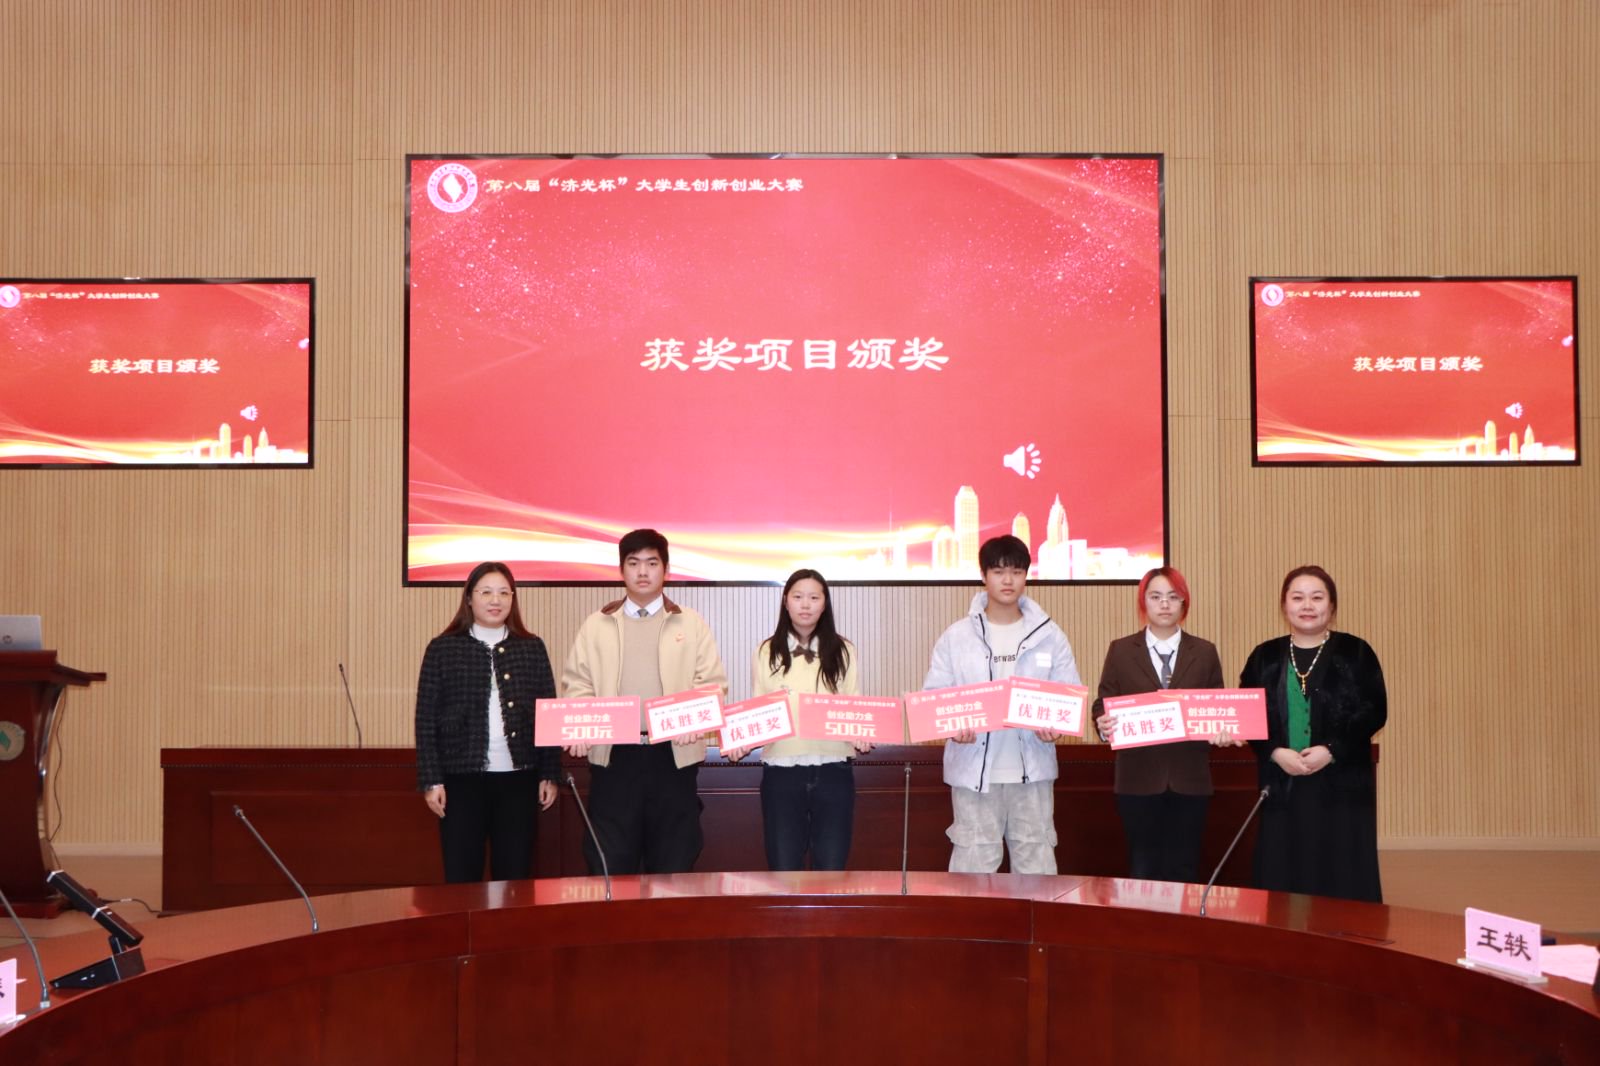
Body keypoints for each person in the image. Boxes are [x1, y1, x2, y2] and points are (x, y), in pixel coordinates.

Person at [561, 529, 729, 874]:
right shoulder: (597, 624)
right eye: (633, 563)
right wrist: (580, 727)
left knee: (673, 861)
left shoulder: (690, 623)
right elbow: (577, 683)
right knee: (610, 861)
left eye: (652, 563)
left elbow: (712, 684)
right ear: (621, 569)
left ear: (665, 570)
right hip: (614, 758)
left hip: (673, 756)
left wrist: (693, 720)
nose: (642, 571)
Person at [923, 534, 1080, 875]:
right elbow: (935, 697)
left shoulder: (1050, 635)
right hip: (973, 773)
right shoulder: (957, 637)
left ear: (1026, 576)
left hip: (1033, 773)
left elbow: (1069, 695)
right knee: (972, 871)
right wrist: (953, 726)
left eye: (1016, 571)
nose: (1007, 580)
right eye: (998, 571)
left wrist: (1057, 727)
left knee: (1037, 868)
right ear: (983, 576)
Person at [1239, 564, 1387, 902]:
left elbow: (1374, 710)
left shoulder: (1356, 652)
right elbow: (1249, 713)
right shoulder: (1264, 656)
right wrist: (1275, 751)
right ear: (1284, 605)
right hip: (1283, 780)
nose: (1307, 605)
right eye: (1298, 598)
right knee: (1283, 870)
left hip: (1341, 783)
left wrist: (1332, 749)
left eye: (1317, 597)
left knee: (1340, 870)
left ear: (1332, 606)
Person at [414, 561, 560, 883]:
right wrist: (431, 780)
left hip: (518, 779)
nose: (496, 600)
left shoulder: (531, 647)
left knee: (515, 875)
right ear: (469, 598)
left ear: (513, 599)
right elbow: (425, 719)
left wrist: (549, 773)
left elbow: (548, 713)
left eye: (504, 593)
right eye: (486, 592)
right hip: (461, 781)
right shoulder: (442, 649)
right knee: (462, 876)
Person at [1092, 566, 1239, 883]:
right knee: (1142, 869)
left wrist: (1223, 730)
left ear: (1184, 603)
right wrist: (1102, 723)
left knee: (1185, 869)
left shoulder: (1204, 651)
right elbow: (1103, 702)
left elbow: (1217, 705)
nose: (1164, 604)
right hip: (1137, 779)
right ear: (1143, 601)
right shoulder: (1121, 650)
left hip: (1190, 779)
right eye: (1156, 596)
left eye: (1173, 597)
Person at [724, 569, 869, 871]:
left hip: (833, 768)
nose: (805, 604)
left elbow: (852, 703)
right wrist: (741, 741)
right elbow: (759, 706)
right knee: (783, 866)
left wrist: (862, 732)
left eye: (814, 597)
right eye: (798, 596)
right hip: (782, 770)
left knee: (832, 866)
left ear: (825, 604)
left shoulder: (844, 650)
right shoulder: (766, 650)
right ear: (785, 601)